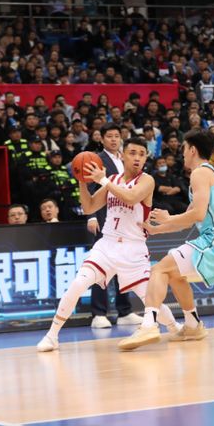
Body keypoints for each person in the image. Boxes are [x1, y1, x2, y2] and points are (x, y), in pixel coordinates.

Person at [36, 137, 181, 352]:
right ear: (122, 155)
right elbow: (89, 207)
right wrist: (82, 181)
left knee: (150, 299)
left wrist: (103, 180)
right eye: (133, 153)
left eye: (142, 154)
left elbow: (131, 198)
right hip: (107, 244)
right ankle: (52, 336)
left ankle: (175, 328)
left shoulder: (146, 180)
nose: (137, 158)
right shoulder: (113, 179)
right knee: (77, 285)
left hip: (133, 249)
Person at [118, 130, 214, 351]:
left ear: (193, 150)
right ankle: (193, 325)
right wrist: (157, 229)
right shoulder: (206, 174)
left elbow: (197, 214)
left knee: (159, 269)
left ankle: (148, 325)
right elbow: (188, 220)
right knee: (175, 275)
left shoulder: (200, 173)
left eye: (185, 149)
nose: (183, 154)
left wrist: (168, 218)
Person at [87, 125, 143, 328]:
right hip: (104, 219)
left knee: (124, 265)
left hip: (126, 221)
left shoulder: (127, 159)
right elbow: (89, 188)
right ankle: (98, 314)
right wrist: (91, 216)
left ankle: (124, 311)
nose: (113, 139)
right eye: (109, 136)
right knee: (101, 266)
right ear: (101, 139)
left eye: (116, 136)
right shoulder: (96, 159)